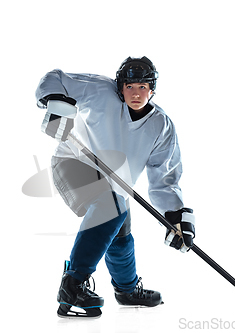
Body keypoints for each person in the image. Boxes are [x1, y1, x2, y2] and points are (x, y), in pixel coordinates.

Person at [35, 56, 196, 319]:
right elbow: (56, 78)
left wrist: (175, 216)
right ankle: (73, 285)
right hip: (73, 162)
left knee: (119, 230)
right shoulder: (100, 90)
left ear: (152, 90)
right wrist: (57, 104)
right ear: (119, 87)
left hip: (114, 186)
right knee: (111, 206)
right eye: (130, 86)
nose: (136, 93)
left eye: (143, 87)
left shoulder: (161, 126)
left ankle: (126, 290)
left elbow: (164, 176)